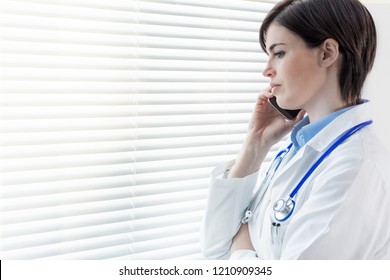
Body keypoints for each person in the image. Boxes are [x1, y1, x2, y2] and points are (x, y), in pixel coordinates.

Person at [200, 0, 390, 259]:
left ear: (327, 54)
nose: (266, 70)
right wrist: (255, 144)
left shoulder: (356, 169)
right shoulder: (298, 149)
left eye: (279, 53)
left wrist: (242, 245)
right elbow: (215, 253)